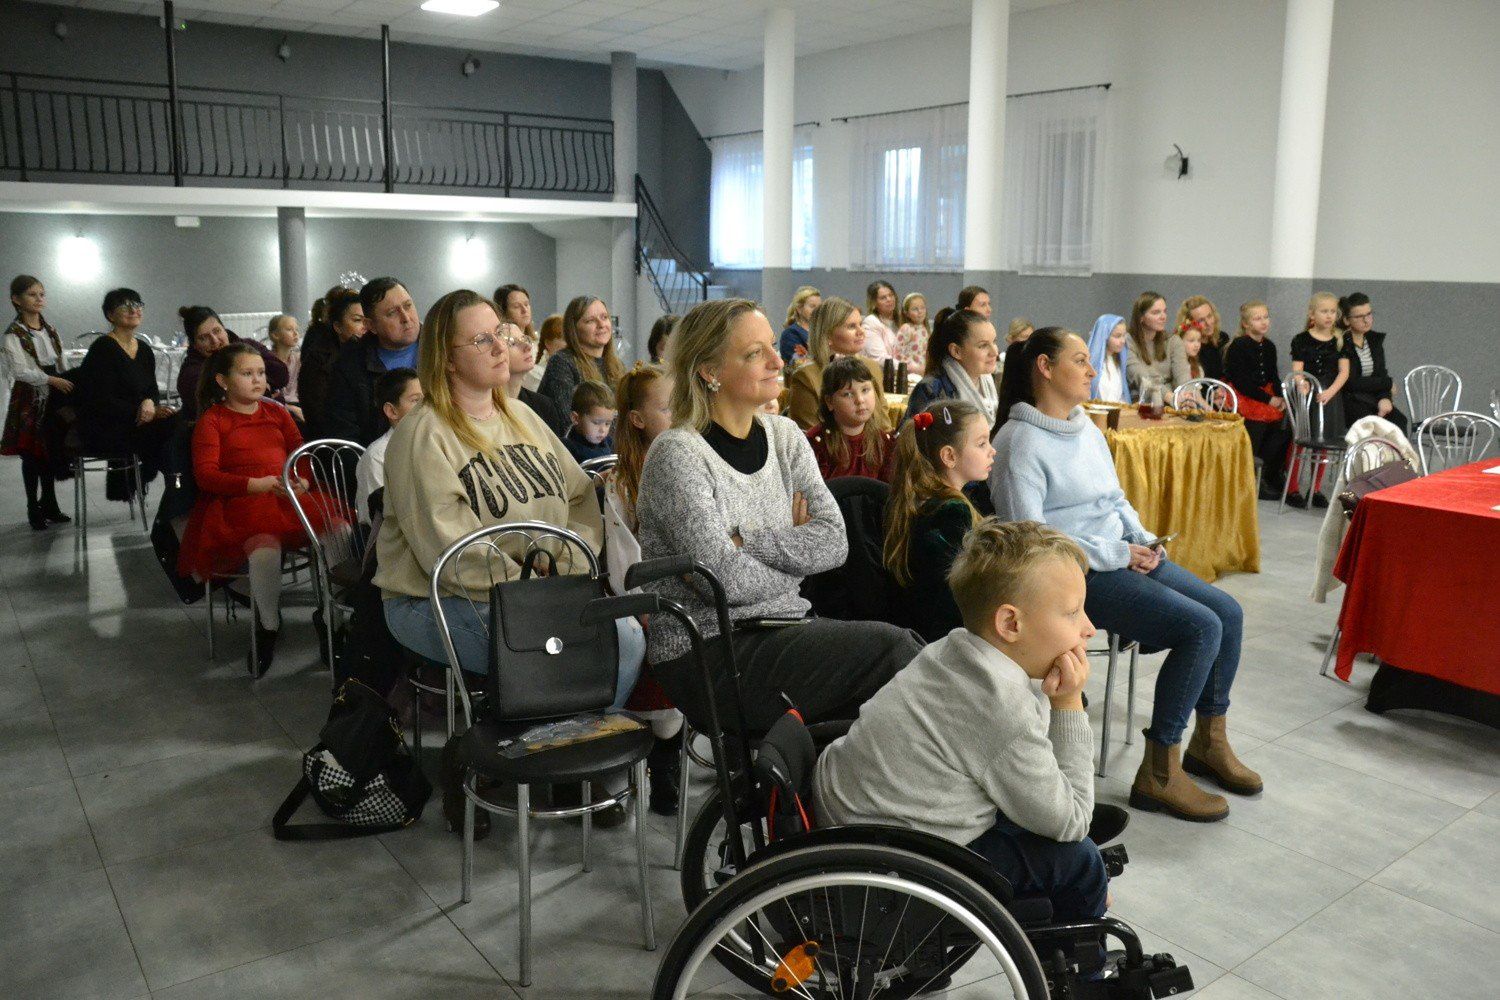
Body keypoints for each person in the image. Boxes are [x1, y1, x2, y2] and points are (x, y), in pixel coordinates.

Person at [376, 289, 644, 830]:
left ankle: (554, 751)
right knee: (550, 653)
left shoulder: (522, 414)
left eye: (501, 333)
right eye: (481, 339)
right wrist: (531, 572)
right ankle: (492, 761)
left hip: (538, 590)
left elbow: (577, 496)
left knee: (629, 640)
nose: (501, 346)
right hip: (438, 598)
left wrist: (564, 562)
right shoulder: (421, 435)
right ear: (446, 358)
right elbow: (443, 554)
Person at [990, 327, 1259, 822]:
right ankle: (1160, 770)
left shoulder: (1084, 427)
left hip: (1121, 554)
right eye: (1079, 361)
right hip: (1075, 575)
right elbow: (1032, 537)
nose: (1092, 369)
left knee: (1228, 611)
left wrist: (1142, 539)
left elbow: (1113, 498)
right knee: (1201, 627)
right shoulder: (1019, 442)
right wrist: (1116, 551)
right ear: (1045, 369)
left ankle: (1209, 741)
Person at [635, 297, 923, 735]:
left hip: (784, 626)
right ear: (709, 371)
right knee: (892, 650)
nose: (778, 359)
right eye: (755, 353)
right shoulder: (678, 454)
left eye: (773, 345)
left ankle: (825, 797)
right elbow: (723, 583)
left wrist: (745, 540)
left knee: (908, 673)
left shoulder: (785, 436)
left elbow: (833, 542)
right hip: (708, 649)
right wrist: (792, 558)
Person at [816, 519, 1108, 921]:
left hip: (850, 812)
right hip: (901, 862)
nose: (1089, 628)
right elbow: (1073, 821)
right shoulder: (1002, 711)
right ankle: (1080, 973)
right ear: (1010, 624)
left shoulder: (952, 649)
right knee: (1081, 861)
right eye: (1073, 613)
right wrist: (1069, 702)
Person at [179, 343, 341, 677]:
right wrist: (255, 484)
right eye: (247, 373)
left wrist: (303, 482)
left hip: (285, 494)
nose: (257, 380)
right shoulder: (213, 420)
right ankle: (267, 624)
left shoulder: (276, 412)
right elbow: (206, 475)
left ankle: (330, 617)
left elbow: (301, 452)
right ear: (223, 381)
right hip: (239, 502)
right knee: (264, 548)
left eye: (261, 373)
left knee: (339, 529)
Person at [604, 363, 684, 815]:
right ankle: (650, 758)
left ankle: (677, 748)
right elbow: (624, 562)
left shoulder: (693, 465)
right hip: (644, 600)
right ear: (637, 419)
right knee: (657, 637)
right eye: (669, 408)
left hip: (689, 590)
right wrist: (652, 603)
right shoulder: (621, 482)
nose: (681, 415)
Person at [881, 399, 993, 641]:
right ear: (949, 456)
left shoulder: (917, 499)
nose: (992, 451)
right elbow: (952, 599)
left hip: (912, 631)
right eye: (982, 443)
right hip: (940, 639)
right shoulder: (952, 513)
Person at [74, 288, 178, 501]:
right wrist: (141, 410)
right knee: (170, 432)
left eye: (138, 304)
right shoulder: (103, 349)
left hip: (137, 421)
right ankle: (168, 488)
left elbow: (150, 388)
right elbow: (99, 400)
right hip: (107, 426)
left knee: (176, 421)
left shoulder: (144, 349)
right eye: (125, 306)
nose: (134, 310)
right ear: (110, 315)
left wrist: (150, 403)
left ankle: (167, 485)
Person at [3, 275, 72, 529]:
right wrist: (51, 380)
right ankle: (33, 506)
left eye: (41, 294)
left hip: (52, 395)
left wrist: (64, 380)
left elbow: (60, 360)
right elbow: (21, 371)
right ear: (16, 300)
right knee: (31, 455)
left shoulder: (50, 330)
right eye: (32, 294)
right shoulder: (14, 335)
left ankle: (50, 502)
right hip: (31, 397)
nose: (39, 299)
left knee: (50, 450)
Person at [325, 278, 420, 446]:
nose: (406, 318)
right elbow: (344, 437)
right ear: (371, 325)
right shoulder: (349, 366)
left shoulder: (441, 349)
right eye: (392, 313)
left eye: (408, 305)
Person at [1224, 302, 1296, 503]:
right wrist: (1269, 399)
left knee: (1284, 428)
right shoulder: (1239, 345)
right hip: (1245, 395)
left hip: (1266, 395)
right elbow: (1241, 381)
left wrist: (1281, 397)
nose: (1263, 322)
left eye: (1266, 317)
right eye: (1257, 318)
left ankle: (1270, 474)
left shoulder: (1269, 346)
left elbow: (1273, 376)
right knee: (1257, 426)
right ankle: (1251, 477)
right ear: (1246, 324)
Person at [1288, 292, 1351, 507]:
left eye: (1333, 312)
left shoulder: (1342, 340)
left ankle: (1315, 489)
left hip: (1329, 396)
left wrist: (1330, 392)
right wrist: (1301, 383)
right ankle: (1292, 487)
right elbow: (1298, 370)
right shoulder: (1301, 339)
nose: (1329, 316)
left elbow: (1344, 372)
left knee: (1323, 443)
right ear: (1312, 314)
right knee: (1301, 439)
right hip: (1308, 395)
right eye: (1324, 311)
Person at [175, 306, 291, 420]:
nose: (215, 341)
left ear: (224, 329)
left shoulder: (248, 346)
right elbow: (226, 407)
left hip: (269, 419)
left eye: (217, 331)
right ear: (194, 345)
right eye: (203, 338)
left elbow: (281, 374)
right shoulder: (191, 373)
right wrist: (266, 390)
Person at [786, 297, 885, 429]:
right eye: (851, 326)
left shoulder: (872, 367)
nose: (861, 332)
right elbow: (809, 438)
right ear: (827, 335)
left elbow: (884, 426)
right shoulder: (806, 377)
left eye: (860, 324)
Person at [904, 307, 1000, 429]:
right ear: (956, 351)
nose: (994, 352)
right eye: (983, 346)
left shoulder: (991, 383)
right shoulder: (931, 390)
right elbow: (913, 442)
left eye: (994, 342)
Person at [805, 356, 896, 482]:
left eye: (865, 390)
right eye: (848, 394)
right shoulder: (815, 444)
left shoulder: (884, 443)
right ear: (830, 401)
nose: (860, 400)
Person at [536, 295, 626, 422]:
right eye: (590, 321)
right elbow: (566, 422)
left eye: (604, 317)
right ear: (574, 329)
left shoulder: (617, 365)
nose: (601, 324)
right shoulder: (562, 363)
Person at [354, 367, 422, 525]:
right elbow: (386, 518)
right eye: (416, 400)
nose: (426, 406)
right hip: (384, 538)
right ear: (392, 411)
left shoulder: (432, 443)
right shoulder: (377, 456)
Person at [1338, 292, 1408, 433]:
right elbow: (1351, 382)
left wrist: (1385, 398)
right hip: (1349, 402)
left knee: (1399, 420)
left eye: (1369, 314)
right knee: (1373, 424)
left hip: (1371, 398)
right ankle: (1371, 455)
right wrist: (1387, 383)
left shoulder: (1374, 340)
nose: (1367, 320)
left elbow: (1381, 373)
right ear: (1346, 320)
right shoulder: (1341, 343)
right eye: (1359, 316)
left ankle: (1399, 456)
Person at [298, 288, 364, 437]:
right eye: (357, 320)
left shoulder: (372, 353)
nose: (365, 326)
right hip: (335, 444)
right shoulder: (319, 360)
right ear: (338, 327)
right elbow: (318, 416)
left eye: (368, 320)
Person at [501, 319, 566, 437]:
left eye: (525, 339)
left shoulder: (544, 406)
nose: (527, 346)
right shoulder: (485, 409)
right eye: (513, 343)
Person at [1125, 291, 1190, 395]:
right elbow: (1141, 376)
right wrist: (1169, 397)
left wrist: (1186, 395)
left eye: (1164, 311)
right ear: (1141, 317)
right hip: (1142, 401)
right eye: (1156, 312)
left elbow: (1183, 375)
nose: (1163, 316)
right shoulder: (1128, 341)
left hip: (1173, 400)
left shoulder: (1173, 341)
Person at [562, 379, 616, 464]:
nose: (603, 430)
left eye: (607, 423)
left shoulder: (608, 442)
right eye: (596, 423)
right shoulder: (566, 448)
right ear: (576, 418)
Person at [1176, 296, 1225, 381]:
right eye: (1201, 320)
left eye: (1209, 316)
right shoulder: (1188, 349)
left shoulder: (1222, 338)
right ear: (1189, 324)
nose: (1208, 323)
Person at [1086, 314, 1132, 403]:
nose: (1123, 341)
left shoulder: (1119, 364)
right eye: (1117, 336)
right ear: (1104, 336)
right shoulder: (1090, 364)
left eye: (1124, 336)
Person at [779, 285, 821, 365]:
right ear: (799, 309)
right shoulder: (790, 334)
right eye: (812, 306)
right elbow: (799, 363)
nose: (817, 311)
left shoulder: (821, 332)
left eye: (819, 307)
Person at [860, 280, 900, 362]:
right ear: (874, 303)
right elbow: (880, 359)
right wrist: (907, 367)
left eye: (891, 295)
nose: (889, 299)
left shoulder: (901, 320)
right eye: (883, 298)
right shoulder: (871, 323)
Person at [267, 313, 302, 406]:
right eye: (289, 329)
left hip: (298, 403)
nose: (295, 333)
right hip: (277, 405)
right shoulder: (268, 361)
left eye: (296, 329)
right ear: (275, 335)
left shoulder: (299, 359)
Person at [895, 292, 929, 375]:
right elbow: (898, 353)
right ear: (907, 313)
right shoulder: (906, 328)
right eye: (915, 309)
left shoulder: (925, 329)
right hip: (910, 373)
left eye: (922, 308)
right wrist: (912, 367)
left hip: (924, 371)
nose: (920, 311)